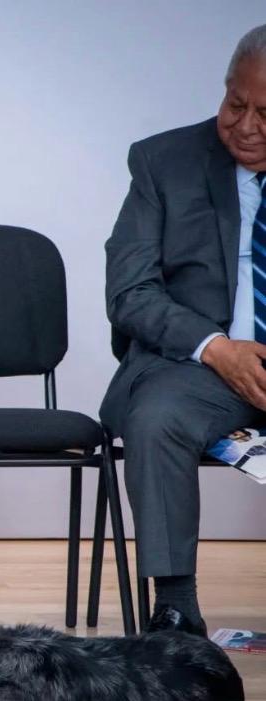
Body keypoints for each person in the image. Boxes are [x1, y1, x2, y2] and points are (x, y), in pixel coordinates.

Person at [101, 23, 266, 637]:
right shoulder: (162, 162)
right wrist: (218, 349)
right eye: (234, 104)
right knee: (156, 417)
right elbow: (130, 292)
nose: (246, 126)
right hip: (197, 369)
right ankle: (175, 609)